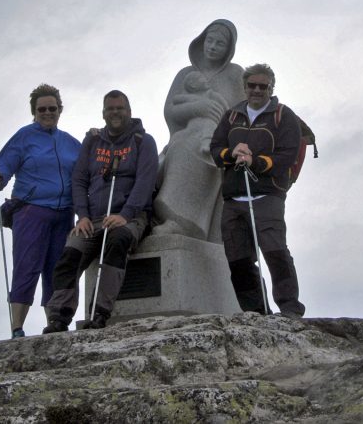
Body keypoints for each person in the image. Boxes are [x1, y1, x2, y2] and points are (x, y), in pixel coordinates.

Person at [43, 90, 158, 332]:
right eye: (110, 109)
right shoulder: (93, 141)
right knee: (70, 254)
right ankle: (59, 316)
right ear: (103, 113)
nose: (115, 112)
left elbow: (145, 182)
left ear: (129, 111)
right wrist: (82, 215)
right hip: (92, 218)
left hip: (130, 217)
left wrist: (125, 215)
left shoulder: (143, 141)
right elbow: (79, 180)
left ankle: (100, 312)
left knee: (116, 242)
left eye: (120, 108)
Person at [209, 64, 306, 319]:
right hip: (233, 197)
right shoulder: (231, 116)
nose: (257, 90)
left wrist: (257, 162)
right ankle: (255, 310)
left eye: (263, 86)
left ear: (271, 88)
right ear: (244, 87)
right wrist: (231, 154)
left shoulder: (283, 116)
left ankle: (290, 308)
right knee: (238, 259)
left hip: (267, 195)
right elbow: (215, 148)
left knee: (275, 251)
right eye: (252, 85)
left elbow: (287, 155)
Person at [0, 84, 82, 338]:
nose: (47, 112)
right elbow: (4, 164)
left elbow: (86, 172)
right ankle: (17, 327)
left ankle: (53, 323)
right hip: (31, 211)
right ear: (34, 111)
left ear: (60, 110)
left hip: (64, 214)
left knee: (56, 269)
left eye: (52, 108)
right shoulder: (24, 137)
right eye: (42, 109)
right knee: (26, 266)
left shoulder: (72, 144)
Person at [153, 19, 245, 242]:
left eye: (219, 43)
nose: (212, 47)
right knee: (177, 147)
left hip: (219, 142)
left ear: (229, 49)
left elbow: (241, 116)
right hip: (183, 135)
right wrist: (199, 107)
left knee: (197, 149)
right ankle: (163, 214)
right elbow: (170, 111)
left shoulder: (235, 74)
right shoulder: (186, 74)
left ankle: (186, 222)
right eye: (209, 41)